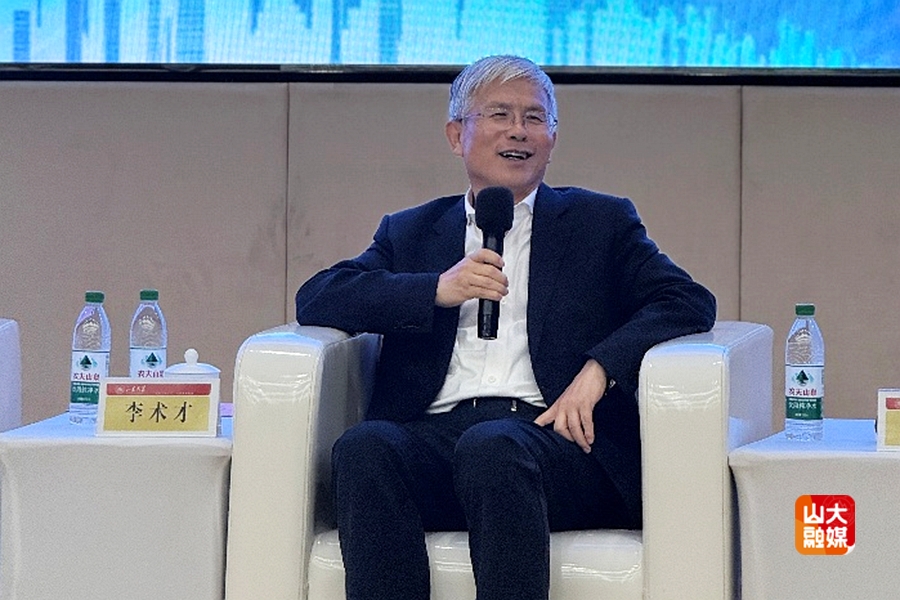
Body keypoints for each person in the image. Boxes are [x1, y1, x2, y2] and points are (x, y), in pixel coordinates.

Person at [295, 55, 716, 600]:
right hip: (437, 437)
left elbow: (687, 300)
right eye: (499, 114)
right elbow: (319, 296)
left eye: (534, 118)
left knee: (493, 447)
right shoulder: (413, 231)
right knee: (365, 447)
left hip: (553, 444)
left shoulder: (599, 223)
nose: (518, 130)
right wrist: (435, 289)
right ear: (457, 135)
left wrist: (600, 370)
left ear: (552, 138)